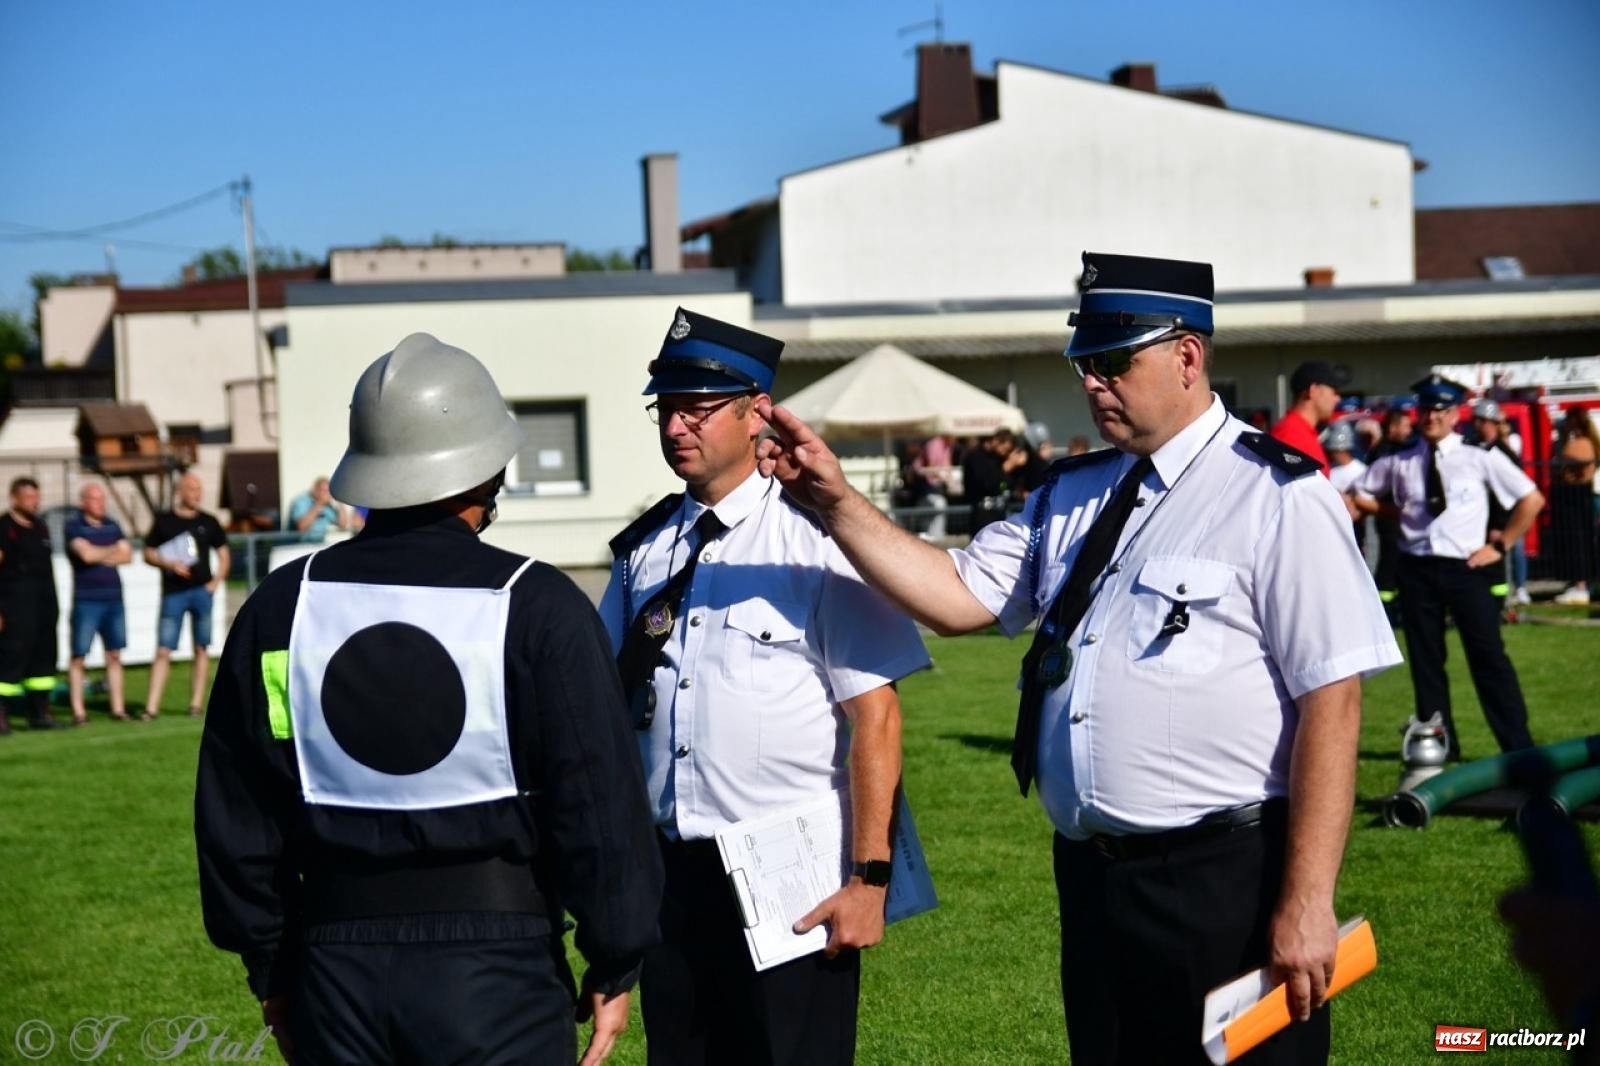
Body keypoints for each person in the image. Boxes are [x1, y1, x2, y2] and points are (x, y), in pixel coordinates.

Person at [757, 251, 1400, 1064]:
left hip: (1225, 879)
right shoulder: (1072, 493)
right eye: (1082, 366)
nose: (1092, 384)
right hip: (1095, 881)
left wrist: (1308, 898)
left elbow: (1332, 703)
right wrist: (837, 504)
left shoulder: (1276, 495)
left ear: (1187, 357)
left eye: (1110, 363)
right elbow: (959, 596)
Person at [196, 332, 663, 1066]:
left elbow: (241, 805)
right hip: (497, 971)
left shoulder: (282, 607)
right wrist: (616, 954)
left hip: (332, 967)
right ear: (487, 469)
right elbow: (596, 799)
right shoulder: (538, 605)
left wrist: (270, 963)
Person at [601, 308, 928, 1066]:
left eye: (698, 408)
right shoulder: (643, 551)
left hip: (791, 870)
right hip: (672, 875)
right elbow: (605, 700)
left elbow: (875, 714)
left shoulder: (817, 537)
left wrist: (869, 880)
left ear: (757, 415)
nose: (676, 426)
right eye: (667, 408)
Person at [1348, 375, 1544, 762]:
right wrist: (1391, 511)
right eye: (1424, 410)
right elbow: (1359, 494)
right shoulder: (1401, 459)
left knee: (1488, 656)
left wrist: (1500, 545)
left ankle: (1518, 747)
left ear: (1456, 414)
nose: (1430, 417)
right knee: (1426, 662)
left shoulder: (1479, 455)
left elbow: (1531, 499)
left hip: (1466, 567)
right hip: (1417, 567)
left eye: (1439, 410)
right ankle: (1440, 746)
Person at [142, 472, 230, 720]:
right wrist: (168, 564)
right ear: (180, 491)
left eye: (199, 489)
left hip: (202, 592)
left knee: (201, 648)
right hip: (174, 594)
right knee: (164, 649)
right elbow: (148, 553)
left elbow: (224, 555)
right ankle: (151, 707)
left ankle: (195, 704)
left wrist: (215, 583)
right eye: (192, 489)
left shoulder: (209, 521)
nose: (197, 494)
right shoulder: (164, 521)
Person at [66, 483, 132, 723]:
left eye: (102, 499)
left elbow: (127, 556)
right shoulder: (74, 527)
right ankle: (79, 711)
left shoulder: (112, 525)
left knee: (114, 654)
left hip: (113, 599)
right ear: (83, 502)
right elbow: (85, 555)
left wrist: (99, 553)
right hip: (87, 601)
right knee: (78, 655)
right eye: (95, 499)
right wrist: (112, 550)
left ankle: (117, 708)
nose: (100, 503)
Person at [0, 476, 62, 733]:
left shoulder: (41, 526)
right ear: (14, 498)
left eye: (36, 497)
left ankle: (39, 713)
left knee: (43, 660)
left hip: (43, 606)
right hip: (15, 606)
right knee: (10, 658)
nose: (34, 502)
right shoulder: (4, 527)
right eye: (28, 497)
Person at [1470, 400, 1522, 607]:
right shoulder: (1472, 448)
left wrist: (1500, 525)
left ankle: (1499, 605)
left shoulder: (1503, 453)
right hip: (1475, 518)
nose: (1478, 426)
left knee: (1496, 566)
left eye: (1482, 421)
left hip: (1495, 521)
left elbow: (1512, 492)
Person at [1367, 406, 1416, 623]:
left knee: (1397, 565)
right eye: (1405, 426)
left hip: (1396, 517)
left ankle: (1394, 608)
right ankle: (1383, 612)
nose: (1409, 431)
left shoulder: (1394, 449)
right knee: (1390, 564)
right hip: (1389, 517)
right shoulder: (1385, 452)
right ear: (1393, 427)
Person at [1550, 407, 1599, 605]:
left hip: (1576, 496)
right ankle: (1581, 583)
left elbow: (1573, 463)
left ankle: (1580, 585)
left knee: (1577, 542)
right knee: (1578, 542)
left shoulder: (1581, 444)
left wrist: (1563, 461)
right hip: (1576, 496)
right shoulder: (1582, 442)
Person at [1270, 361, 1345, 477]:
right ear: (1313, 390)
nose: (1337, 399)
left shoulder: (1302, 431)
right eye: (1334, 392)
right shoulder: (1290, 433)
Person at [962, 428, 1016, 532]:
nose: (1004, 452)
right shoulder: (976, 457)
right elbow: (987, 483)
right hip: (982, 512)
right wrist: (1004, 469)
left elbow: (1002, 485)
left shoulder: (998, 459)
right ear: (996, 441)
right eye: (1004, 448)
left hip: (999, 512)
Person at [1323, 421, 1367, 546]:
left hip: (1354, 528)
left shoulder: (1361, 471)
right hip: (1333, 527)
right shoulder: (1329, 469)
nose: (1333, 454)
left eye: (1335, 450)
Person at [910, 433, 953, 536]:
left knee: (939, 508)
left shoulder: (947, 446)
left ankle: (936, 534)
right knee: (937, 506)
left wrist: (949, 477)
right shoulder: (934, 444)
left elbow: (948, 464)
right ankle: (931, 534)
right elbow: (931, 464)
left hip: (936, 484)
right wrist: (943, 475)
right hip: (926, 483)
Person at [286, 475, 350, 543]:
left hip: (318, 544)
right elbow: (302, 527)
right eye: (323, 490)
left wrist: (340, 502)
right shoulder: (301, 501)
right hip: (297, 545)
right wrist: (319, 503)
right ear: (315, 489)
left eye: (328, 491)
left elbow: (342, 525)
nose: (326, 494)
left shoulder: (326, 505)